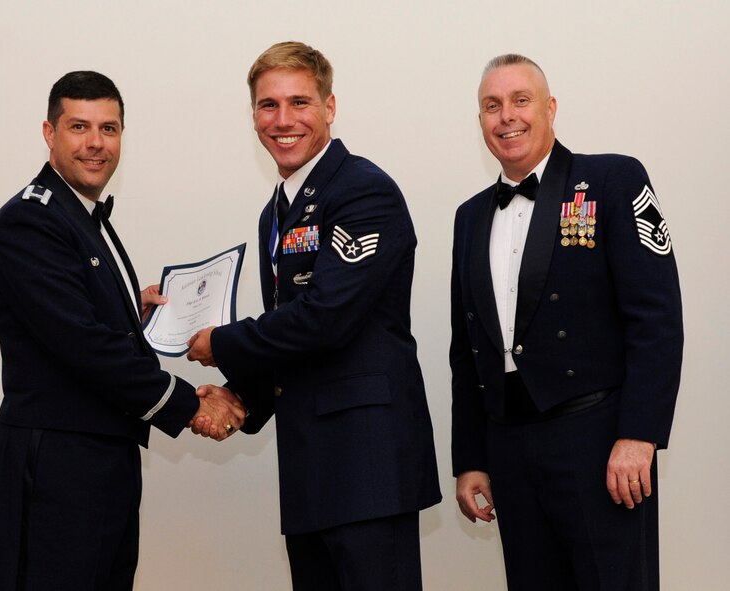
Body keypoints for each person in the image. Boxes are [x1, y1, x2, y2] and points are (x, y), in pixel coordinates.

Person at [186, 42, 441, 591]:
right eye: (268, 105)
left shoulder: (363, 190)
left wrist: (221, 343)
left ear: (330, 107)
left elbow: (325, 318)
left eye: (299, 102)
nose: (283, 120)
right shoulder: (276, 211)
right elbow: (291, 335)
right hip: (311, 470)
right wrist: (240, 397)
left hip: (367, 467)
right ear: (253, 115)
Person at [0, 70, 245, 591]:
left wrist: (131, 314)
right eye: (79, 126)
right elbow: (82, 345)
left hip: (101, 455)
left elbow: (77, 321)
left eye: (109, 128)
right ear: (49, 133)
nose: (96, 143)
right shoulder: (30, 221)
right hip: (57, 461)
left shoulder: (79, 217)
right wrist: (189, 405)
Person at [450, 54, 683, 590]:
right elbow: (467, 348)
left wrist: (639, 435)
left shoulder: (612, 179)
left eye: (521, 100)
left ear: (550, 108)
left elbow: (656, 318)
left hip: (597, 441)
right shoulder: (469, 216)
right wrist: (471, 458)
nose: (507, 116)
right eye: (491, 105)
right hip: (509, 447)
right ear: (480, 119)